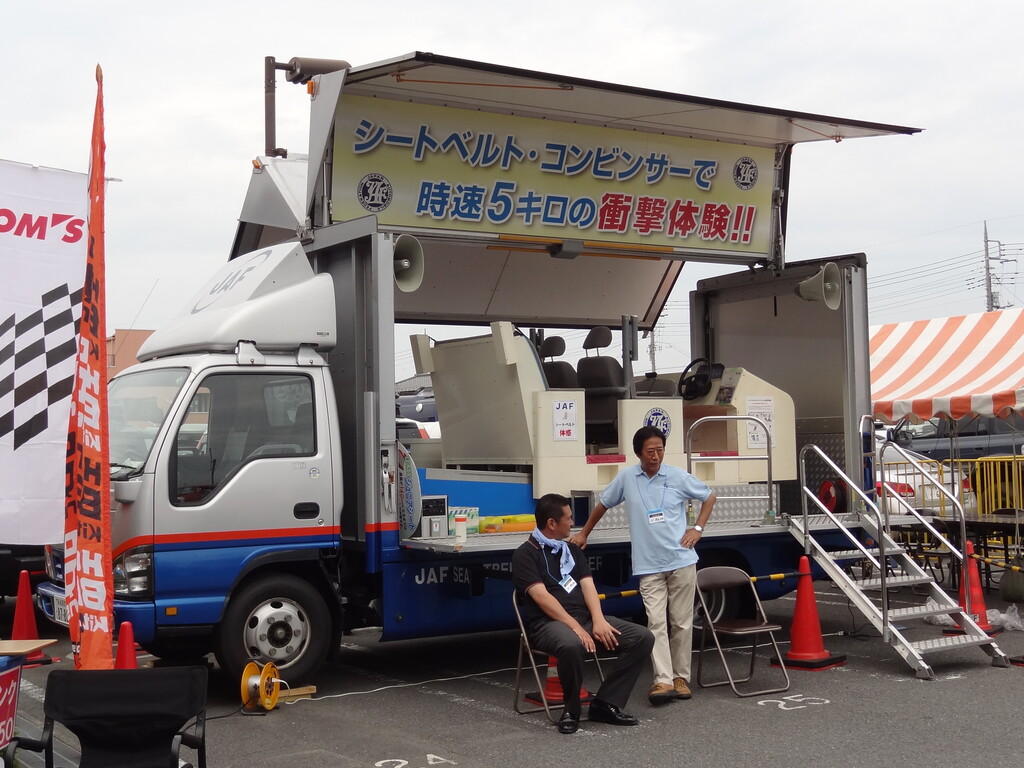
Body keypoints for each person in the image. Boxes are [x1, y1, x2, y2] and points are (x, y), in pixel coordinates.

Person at [571, 426, 716, 705]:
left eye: (660, 450)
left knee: (681, 622)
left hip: (681, 559)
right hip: (648, 565)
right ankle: (662, 680)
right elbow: (603, 504)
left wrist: (697, 528)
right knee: (656, 623)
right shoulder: (627, 477)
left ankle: (680, 678)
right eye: (650, 451)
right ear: (639, 453)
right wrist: (584, 533)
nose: (655, 456)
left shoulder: (676, 476)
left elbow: (709, 496)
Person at [512, 493, 654, 734]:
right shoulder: (525, 554)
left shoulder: (571, 550)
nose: (572, 522)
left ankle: (606, 703)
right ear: (552, 523)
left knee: (642, 637)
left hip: (585, 620)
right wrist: (576, 627)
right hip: (547, 624)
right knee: (571, 644)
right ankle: (571, 710)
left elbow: (588, 586)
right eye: (568, 518)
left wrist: (598, 620)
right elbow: (542, 598)